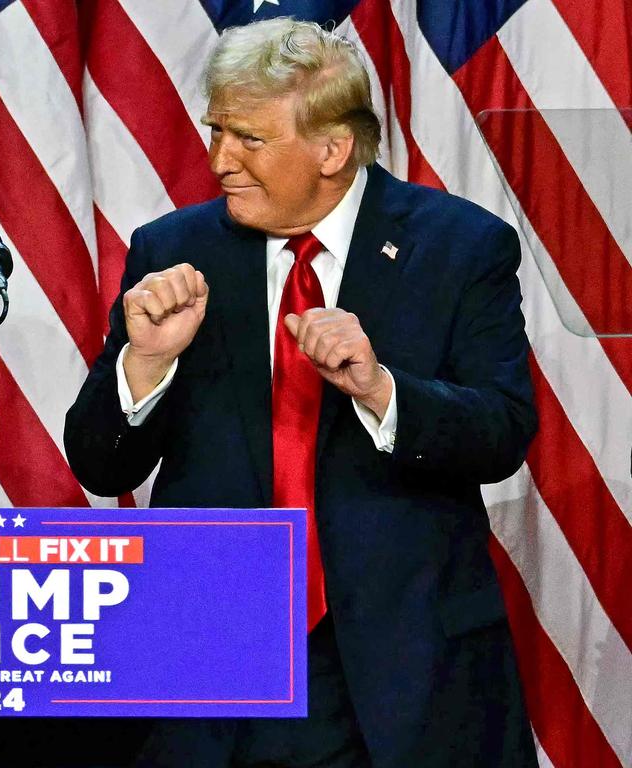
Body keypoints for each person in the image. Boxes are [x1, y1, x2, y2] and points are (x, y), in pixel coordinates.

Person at [64, 17, 538, 768]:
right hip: (215, 672)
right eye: (216, 130)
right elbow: (101, 465)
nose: (220, 159)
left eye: (248, 138)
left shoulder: (459, 246)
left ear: (332, 148)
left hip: (402, 673)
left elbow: (504, 431)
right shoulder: (174, 251)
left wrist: (383, 390)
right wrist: (144, 366)